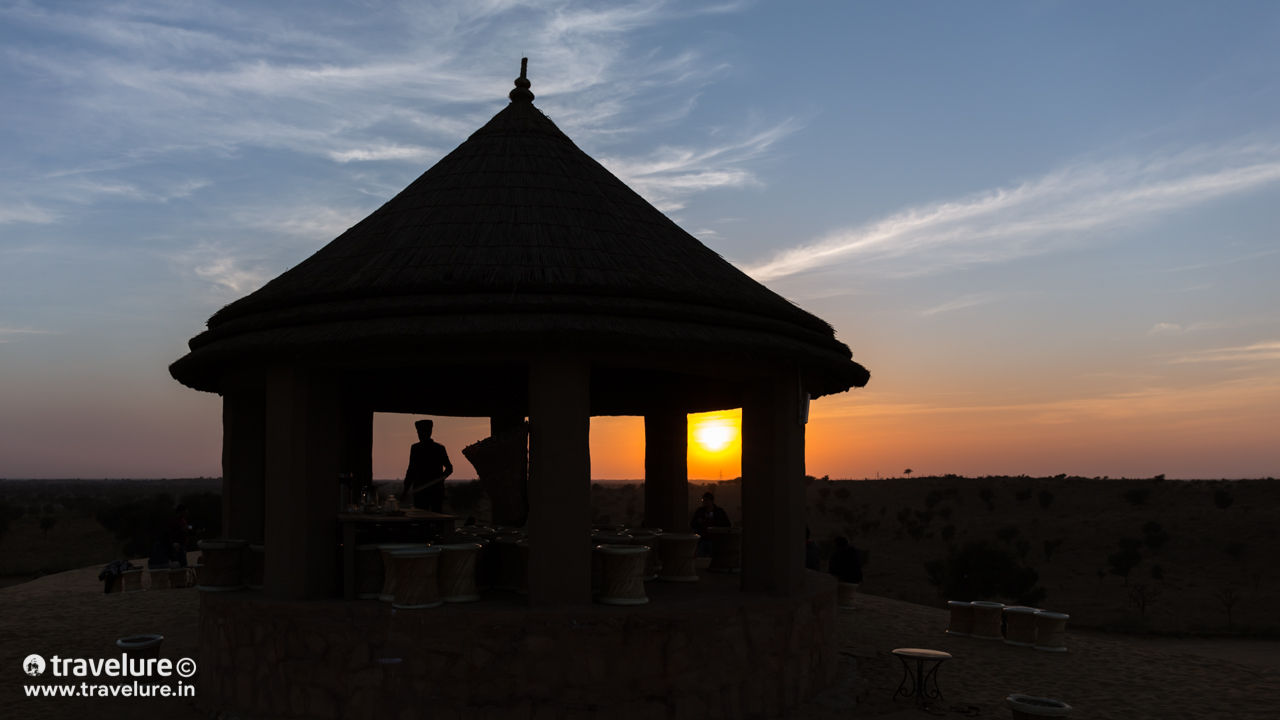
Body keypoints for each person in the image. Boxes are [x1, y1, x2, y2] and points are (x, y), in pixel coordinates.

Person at [404, 419, 453, 512]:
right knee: (421, 518)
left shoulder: (439, 448)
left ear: (429, 432)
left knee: (437, 517)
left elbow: (449, 468)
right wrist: (405, 489)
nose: (419, 435)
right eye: (418, 432)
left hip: (436, 491)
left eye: (422, 432)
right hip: (419, 491)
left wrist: (440, 478)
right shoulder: (415, 448)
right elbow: (411, 469)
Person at [690, 491, 731, 557]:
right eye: (703, 500)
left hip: (715, 541)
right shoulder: (699, 511)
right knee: (700, 560)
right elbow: (692, 524)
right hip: (702, 540)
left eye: (706, 500)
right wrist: (698, 522)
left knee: (715, 560)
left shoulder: (719, 512)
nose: (704, 502)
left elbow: (727, 524)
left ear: (712, 501)